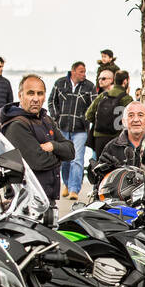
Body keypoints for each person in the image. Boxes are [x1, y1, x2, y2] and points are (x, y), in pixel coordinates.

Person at [0, 74, 74, 204]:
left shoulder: (46, 119)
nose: (35, 99)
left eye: (40, 94)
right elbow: (39, 161)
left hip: (46, 197)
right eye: (30, 93)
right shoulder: (17, 125)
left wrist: (53, 146)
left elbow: (70, 151)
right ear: (20, 95)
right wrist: (60, 157)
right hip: (25, 201)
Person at [49, 61, 96, 199]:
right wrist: (56, 116)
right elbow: (52, 100)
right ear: (73, 71)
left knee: (77, 159)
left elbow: (93, 106)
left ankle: (74, 189)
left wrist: (85, 119)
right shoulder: (60, 83)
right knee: (64, 159)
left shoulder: (89, 86)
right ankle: (67, 184)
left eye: (85, 71)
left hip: (80, 129)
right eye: (81, 71)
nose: (84, 74)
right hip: (62, 127)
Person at [90, 102, 145, 184]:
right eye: (131, 115)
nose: (136, 120)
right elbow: (99, 184)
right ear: (124, 121)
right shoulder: (111, 147)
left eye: (140, 115)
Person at [85, 68, 132, 160]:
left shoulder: (103, 95)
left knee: (100, 166)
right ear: (125, 81)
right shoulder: (126, 98)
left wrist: (101, 121)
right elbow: (130, 119)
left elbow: (88, 115)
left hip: (99, 137)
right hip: (117, 137)